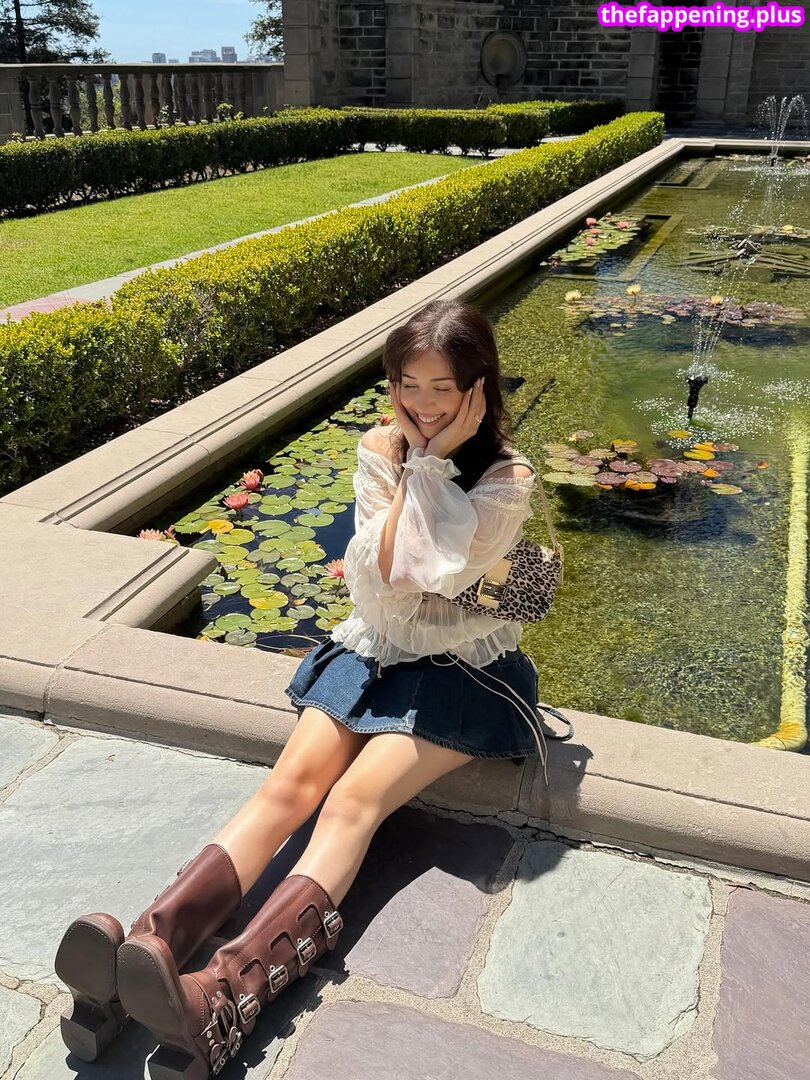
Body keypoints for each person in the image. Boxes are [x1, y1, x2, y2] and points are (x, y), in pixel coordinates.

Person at [54, 297, 547, 1078]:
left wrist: (429, 463)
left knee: (352, 802)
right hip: (378, 648)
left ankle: (224, 998)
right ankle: (145, 951)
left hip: (464, 671)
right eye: (407, 384)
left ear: (477, 388)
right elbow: (378, 586)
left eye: (442, 388)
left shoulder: (507, 478)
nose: (421, 405)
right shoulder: (378, 448)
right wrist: (413, 460)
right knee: (286, 788)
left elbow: (419, 568)